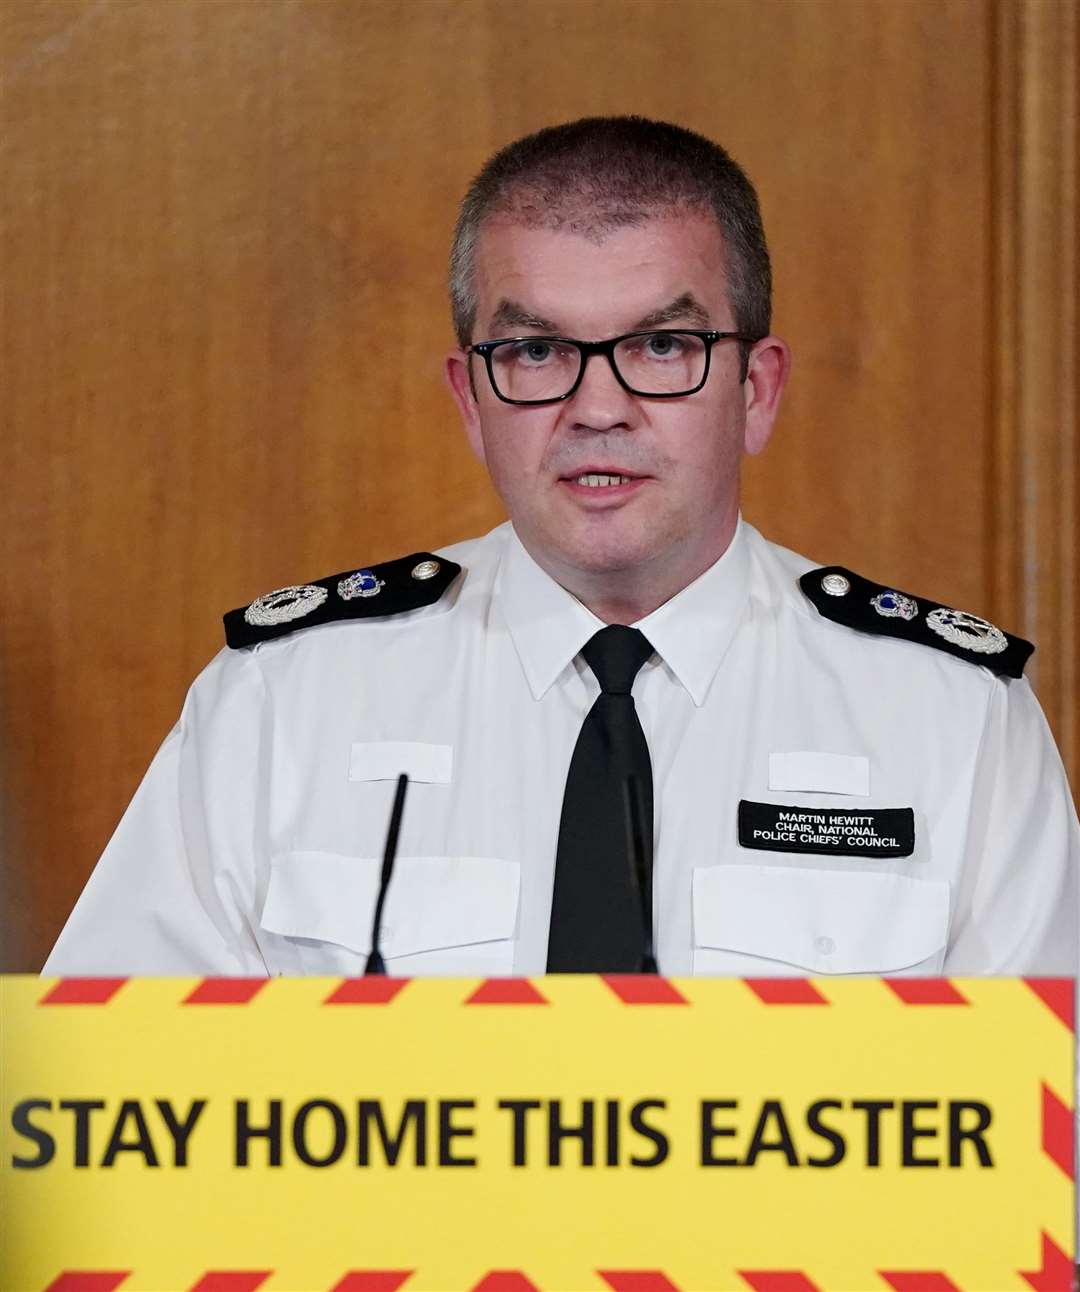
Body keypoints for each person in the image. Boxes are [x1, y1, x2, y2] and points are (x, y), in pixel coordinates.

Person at [44, 116, 1078, 978]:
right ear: (469, 397)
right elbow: (110, 1125)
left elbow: (1049, 1150)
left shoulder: (955, 723)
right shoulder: (281, 703)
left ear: (756, 390)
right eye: (535, 350)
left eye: (662, 346)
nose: (597, 407)